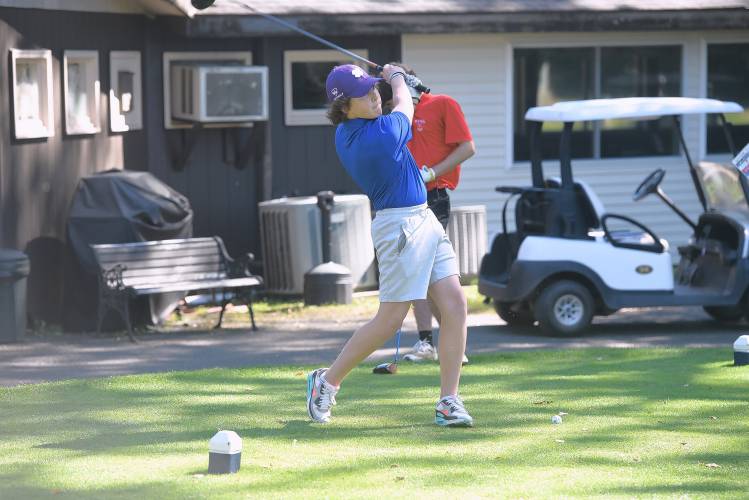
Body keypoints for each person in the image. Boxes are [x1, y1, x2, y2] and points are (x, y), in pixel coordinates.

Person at [306, 63, 473, 427]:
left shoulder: (354, 130)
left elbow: (397, 102)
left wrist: (398, 83)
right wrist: (398, 77)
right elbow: (405, 106)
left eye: (373, 88)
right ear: (343, 106)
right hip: (399, 227)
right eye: (363, 94)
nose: (372, 96)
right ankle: (327, 381)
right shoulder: (377, 135)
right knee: (390, 320)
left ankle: (449, 401)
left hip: (423, 219)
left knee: (456, 305)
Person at [377, 66, 475, 364]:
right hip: (403, 202)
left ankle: (449, 339)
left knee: (433, 272)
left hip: (434, 195)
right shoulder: (394, 116)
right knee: (417, 271)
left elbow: (467, 148)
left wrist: (432, 172)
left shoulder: (443, 104)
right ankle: (427, 342)